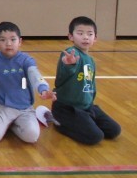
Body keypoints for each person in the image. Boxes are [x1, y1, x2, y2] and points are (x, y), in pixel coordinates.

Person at [0, 21, 56, 143]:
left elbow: (35, 75)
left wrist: (43, 89)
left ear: (20, 41)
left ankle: (8, 125)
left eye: (13, 39)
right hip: (3, 107)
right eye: (3, 40)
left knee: (32, 136)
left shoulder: (26, 60)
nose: (8, 43)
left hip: (26, 109)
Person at [51, 16, 121, 145]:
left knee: (114, 130)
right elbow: (67, 70)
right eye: (80, 33)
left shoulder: (90, 60)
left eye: (90, 34)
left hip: (87, 107)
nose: (85, 37)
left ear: (95, 38)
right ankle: (59, 121)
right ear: (70, 36)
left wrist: (90, 103)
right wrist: (70, 64)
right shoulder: (71, 53)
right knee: (95, 137)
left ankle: (85, 119)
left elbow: (90, 84)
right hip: (67, 108)